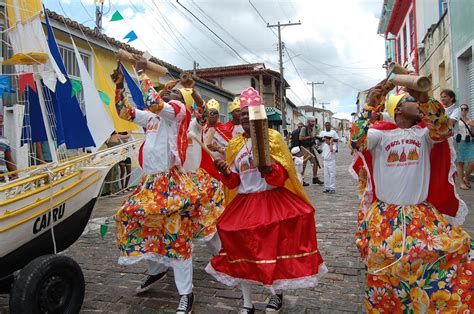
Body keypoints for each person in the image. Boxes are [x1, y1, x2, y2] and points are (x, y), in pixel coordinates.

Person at [350, 79, 472, 312]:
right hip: (386, 216)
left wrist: (425, 98)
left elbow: (444, 127)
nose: (416, 102)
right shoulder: (379, 135)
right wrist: (370, 107)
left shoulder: (425, 134)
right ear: (397, 108)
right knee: (386, 270)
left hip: (420, 215)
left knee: (448, 254)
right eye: (411, 100)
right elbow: (357, 141)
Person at [206, 87, 327, 313]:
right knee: (240, 251)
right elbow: (234, 182)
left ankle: (276, 294)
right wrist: (224, 171)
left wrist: (267, 168)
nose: (245, 116)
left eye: (249, 112)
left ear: (259, 114)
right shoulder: (234, 145)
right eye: (241, 113)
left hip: (271, 201)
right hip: (244, 204)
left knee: (272, 251)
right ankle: (247, 302)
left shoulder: (272, 138)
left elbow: (282, 177)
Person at [111, 57, 208, 313]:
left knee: (177, 237)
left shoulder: (178, 113)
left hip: (171, 183)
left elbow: (154, 102)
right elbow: (125, 112)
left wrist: (140, 71)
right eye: (167, 88)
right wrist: (120, 86)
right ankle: (156, 270)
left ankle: (186, 294)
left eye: (174, 90)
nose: (169, 89)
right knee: (137, 222)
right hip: (150, 183)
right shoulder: (153, 120)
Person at [299, 116, 323, 184]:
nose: (313, 123)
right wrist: (310, 137)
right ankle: (301, 179)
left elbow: (312, 138)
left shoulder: (312, 129)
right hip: (305, 148)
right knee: (304, 164)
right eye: (312, 121)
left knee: (315, 163)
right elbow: (300, 138)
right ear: (308, 122)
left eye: (314, 121)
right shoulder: (304, 128)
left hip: (311, 148)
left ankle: (315, 178)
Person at [456, 104, 474, 190]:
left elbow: (473, 133)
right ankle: (462, 183)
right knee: (460, 162)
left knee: (472, 162)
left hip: (470, 142)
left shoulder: (471, 120)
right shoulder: (456, 120)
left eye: (465, 109)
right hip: (460, 142)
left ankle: (466, 178)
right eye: (461, 108)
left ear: (467, 110)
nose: (463, 110)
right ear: (459, 110)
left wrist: (472, 125)